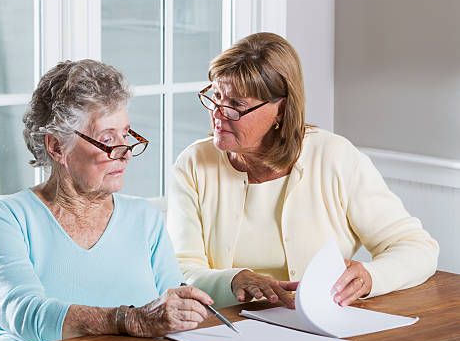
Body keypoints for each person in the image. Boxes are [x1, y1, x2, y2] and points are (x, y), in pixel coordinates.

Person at [168, 32, 439, 309]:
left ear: (281, 110)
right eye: (215, 96)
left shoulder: (334, 157)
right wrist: (234, 279)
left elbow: (417, 248)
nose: (218, 112)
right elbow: (180, 269)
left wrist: (370, 277)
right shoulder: (194, 164)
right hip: (226, 329)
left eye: (237, 104)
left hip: (324, 325)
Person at [0, 59, 213, 341]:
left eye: (127, 134)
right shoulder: (5, 216)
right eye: (107, 139)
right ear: (58, 147)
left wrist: (186, 310)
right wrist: (130, 319)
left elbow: (171, 313)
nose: (124, 153)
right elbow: (25, 315)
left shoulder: (145, 218)